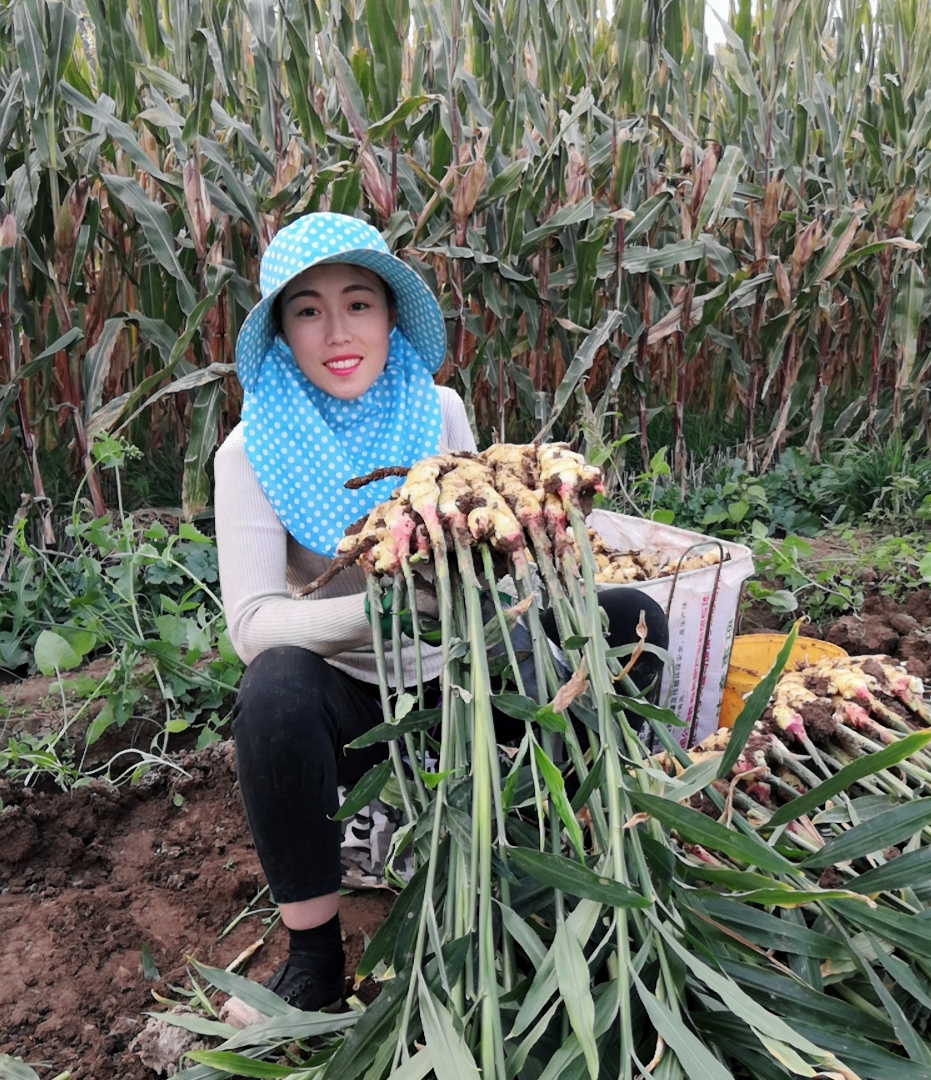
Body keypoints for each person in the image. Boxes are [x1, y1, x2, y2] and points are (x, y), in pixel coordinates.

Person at [215, 211, 670, 1016]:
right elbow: (250, 623)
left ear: (391, 315)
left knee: (629, 621)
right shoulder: (250, 452)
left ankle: (586, 858)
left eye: (359, 303)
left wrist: (534, 555)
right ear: (282, 332)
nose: (337, 331)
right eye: (308, 310)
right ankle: (315, 958)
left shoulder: (439, 410)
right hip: (356, 704)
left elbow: (480, 533)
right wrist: (387, 614)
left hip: (467, 670)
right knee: (273, 689)